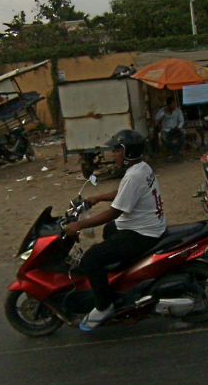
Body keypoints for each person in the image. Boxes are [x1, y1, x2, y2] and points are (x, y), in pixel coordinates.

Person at [64, 129, 166, 332]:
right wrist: (98, 197)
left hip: (142, 233)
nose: (114, 154)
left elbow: (113, 212)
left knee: (91, 259)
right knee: (109, 231)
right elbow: (123, 193)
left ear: (128, 152)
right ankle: (125, 282)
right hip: (148, 225)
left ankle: (104, 307)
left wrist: (79, 225)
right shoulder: (141, 168)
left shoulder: (134, 176)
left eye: (118, 150)